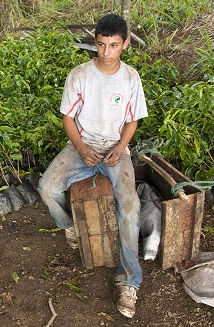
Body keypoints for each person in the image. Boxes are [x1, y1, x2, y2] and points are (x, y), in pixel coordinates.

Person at [37, 13, 148, 319]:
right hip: (81, 147)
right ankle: (69, 226)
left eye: (113, 45)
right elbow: (68, 119)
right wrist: (83, 148)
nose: (106, 52)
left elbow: (132, 120)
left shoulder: (130, 78)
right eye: (101, 45)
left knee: (130, 205)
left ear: (124, 43)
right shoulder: (80, 75)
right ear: (95, 43)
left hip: (115, 150)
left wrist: (121, 147)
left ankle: (130, 281)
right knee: (47, 187)